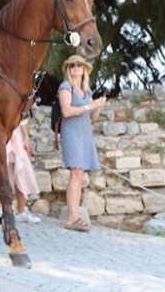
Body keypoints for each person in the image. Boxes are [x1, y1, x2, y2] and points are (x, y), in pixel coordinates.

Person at [57, 55, 106, 233]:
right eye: (72, 66)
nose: (75, 68)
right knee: (76, 172)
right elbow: (67, 111)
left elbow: (93, 117)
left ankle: (74, 215)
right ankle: (71, 218)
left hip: (84, 133)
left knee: (79, 175)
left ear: (85, 69)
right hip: (71, 133)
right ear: (68, 70)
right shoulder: (65, 87)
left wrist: (98, 105)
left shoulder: (87, 91)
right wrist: (88, 106)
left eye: (79, 65)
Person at [0, 121, 42, 224]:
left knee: (22, 168)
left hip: (16, 132)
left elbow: (23, 115)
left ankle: (21, 210)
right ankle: (0, 210)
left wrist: (26, 137)